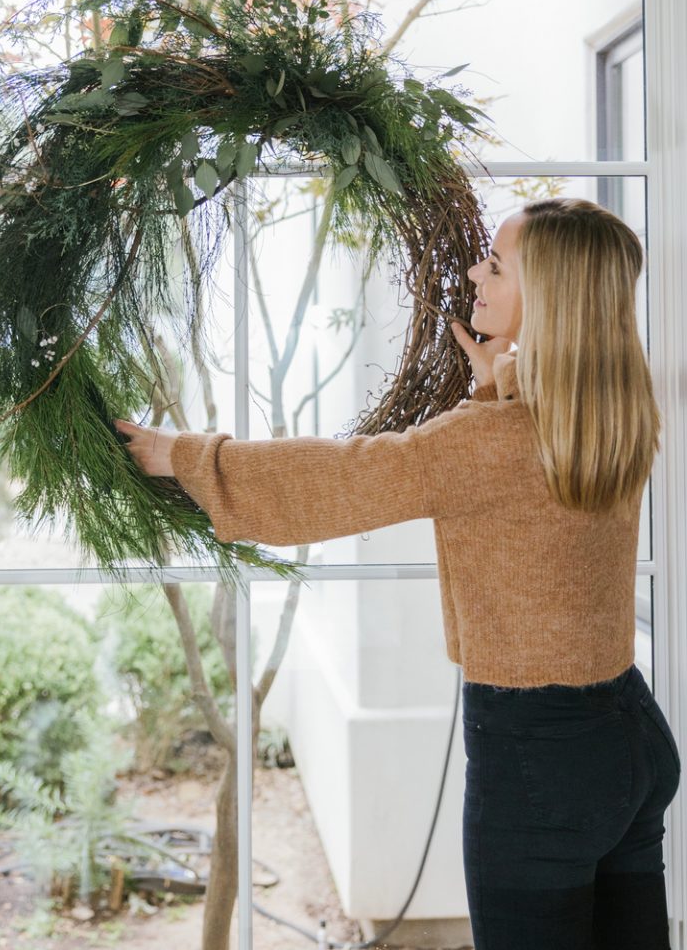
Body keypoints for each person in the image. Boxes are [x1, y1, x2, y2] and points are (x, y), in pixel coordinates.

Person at [116, 197, 680, 950]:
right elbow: (541, 512)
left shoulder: (486, 442)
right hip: (631, 738)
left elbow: (340, 481)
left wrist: (180, 453)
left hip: (538, 764)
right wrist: (496, 389)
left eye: (497, 265)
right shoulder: (617, 417)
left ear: (546, 297)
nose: (475, 274)